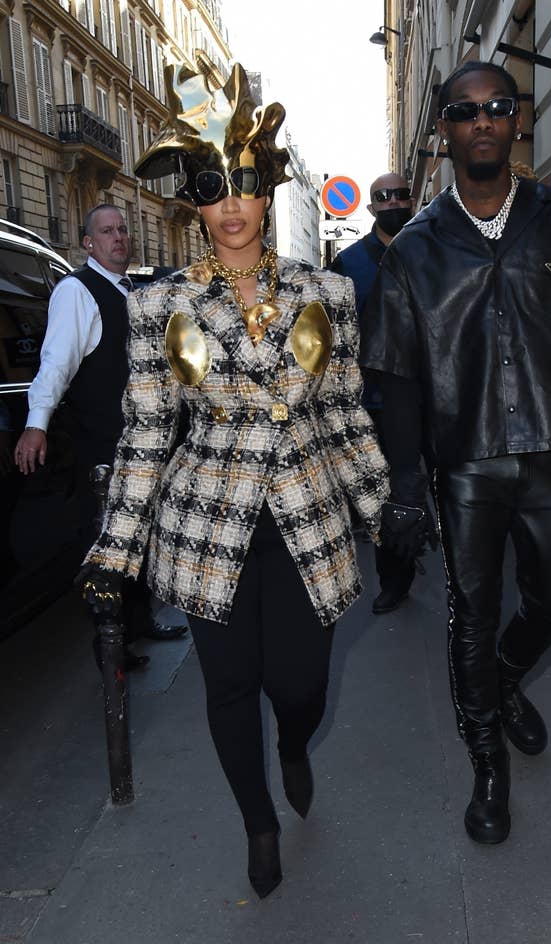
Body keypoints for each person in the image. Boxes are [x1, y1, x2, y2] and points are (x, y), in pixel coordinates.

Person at [76, 63, 388, 897]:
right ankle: (256, 819)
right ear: (194, 200)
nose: (234, 203)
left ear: (268, 185)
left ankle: (293, 742)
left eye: (247, 181)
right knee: (230, 684)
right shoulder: (160, 308)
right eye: (214, 186)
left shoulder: (328, 292)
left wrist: (382, 504)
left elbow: (349, 410)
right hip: (207, 525)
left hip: (306, 515)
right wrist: (114, 551)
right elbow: (145, 434)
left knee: (301, 685)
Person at [361, 61, 551, 844]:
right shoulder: (414, 249)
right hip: (466, 465)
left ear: (517, 121)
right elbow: (403, 381)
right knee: (470, 614)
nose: (482, 120)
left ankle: (507, 681)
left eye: (497, 107)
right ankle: (487, 763)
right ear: (444, 132)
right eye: (463, 110)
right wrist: (407, 483)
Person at [13, 205, 187, 668]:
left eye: (123, 230)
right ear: (88, 243)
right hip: (104, 442)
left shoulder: (129, 290)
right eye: (107, 232)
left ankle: (139, 620)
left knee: (143, 536)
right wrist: (36, 423)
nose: (119, 238)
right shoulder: (77, 291)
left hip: (141, 442)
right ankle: (111, 645)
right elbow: (56, 362)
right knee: (113, 541)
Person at [331, 173, 417, 614]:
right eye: (384, 198)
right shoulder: (347, 266)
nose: (393, 203)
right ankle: (395, 578)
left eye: (401, 195)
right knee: (386, 494)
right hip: (375, 404)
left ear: (413, 198)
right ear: (371, 209)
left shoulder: (432, 252)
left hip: (430, 399)